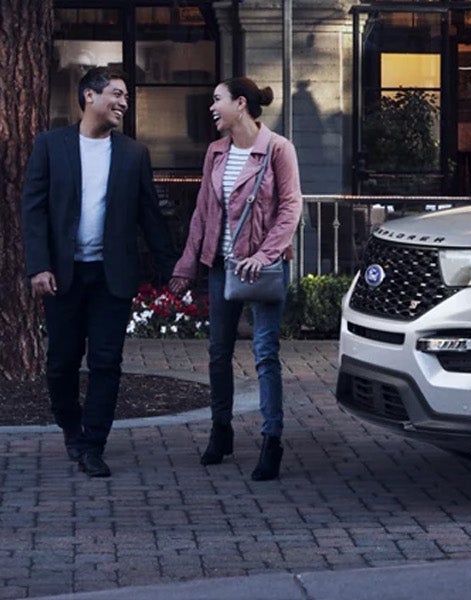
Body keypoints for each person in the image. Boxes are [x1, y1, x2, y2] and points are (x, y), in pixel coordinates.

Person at [21, 66, 177, 478]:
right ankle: (71, 427)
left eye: (126, 96)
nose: (123, 102)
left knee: (106, 362)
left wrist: (174, 270)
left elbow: (150, 216)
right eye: (116, 93)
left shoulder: (133, 154)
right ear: (89, 96)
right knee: (61, 363)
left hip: (113, 277)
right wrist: (38, 266)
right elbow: (33, 210)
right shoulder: (51, 146)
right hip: (64, 277)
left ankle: (94, 444)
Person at [169, 77, 303, 481]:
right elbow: (203, 214)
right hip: (222, 265)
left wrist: (263, 256)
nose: (211, 107)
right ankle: (221, 430)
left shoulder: (278, 149)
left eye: (217, 100)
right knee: (217, 353)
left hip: (262, 268)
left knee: (265, 354)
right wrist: (186, 265)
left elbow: (290, 207)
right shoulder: (215, 152)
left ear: (240, 104)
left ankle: (271, 440)